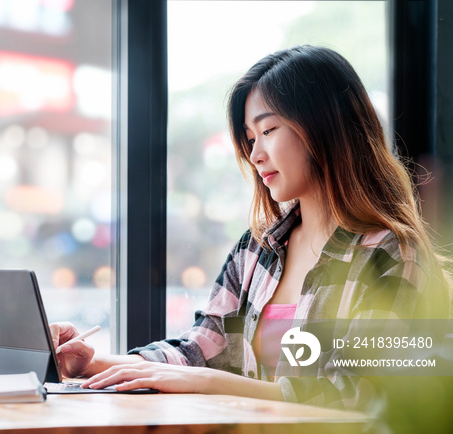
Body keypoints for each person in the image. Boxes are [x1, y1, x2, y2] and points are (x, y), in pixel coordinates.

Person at [50, 45, 451, 411]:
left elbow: (359, 393)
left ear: (326, 125)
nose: (255, 155)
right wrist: (93, 362)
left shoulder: (389, 253)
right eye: (249, 138)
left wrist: (207, 383)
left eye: (269, 130)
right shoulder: (256, 249)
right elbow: (200, 349)